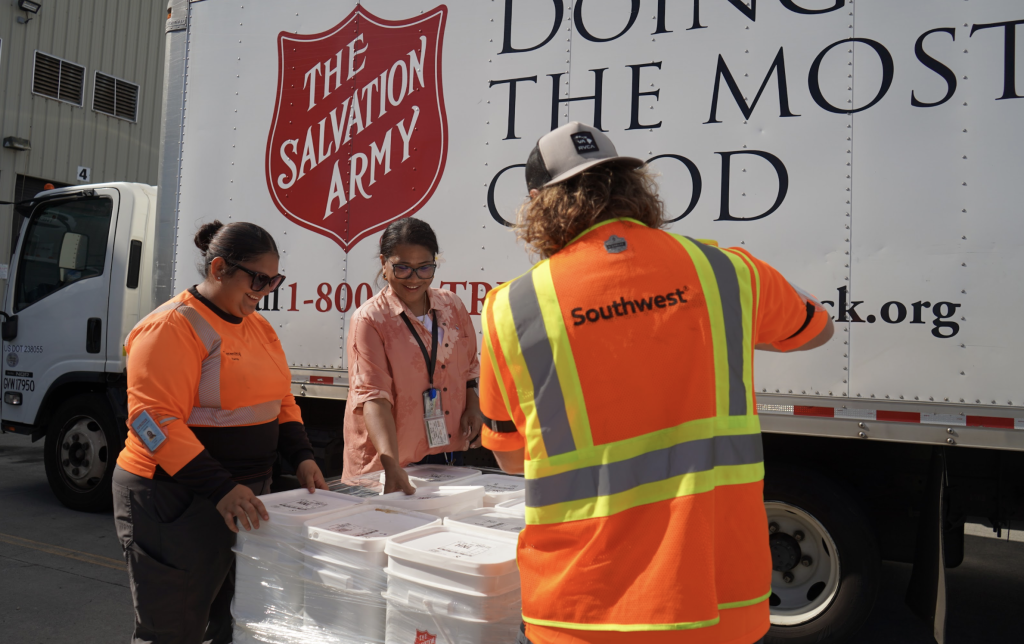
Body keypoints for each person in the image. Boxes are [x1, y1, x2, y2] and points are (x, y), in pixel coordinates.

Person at [479, 122, 834, 644]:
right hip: (723, 602)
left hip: (582, 609)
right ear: (631, 186)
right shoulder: (725, 272)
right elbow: (818, 328)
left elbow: (510, 459)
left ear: (537, 203)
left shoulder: (511, 308)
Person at [112, 220, 328, 644]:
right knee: (173, 629)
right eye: (258, 279)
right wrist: (220, 487)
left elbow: (281, 400)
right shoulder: (172, 327)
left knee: (235, 622)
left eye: (274, 280)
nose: (265, 290)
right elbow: (153, 422)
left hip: (240, 497)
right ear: (218, 269)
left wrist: (302, 456)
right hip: (176, 497)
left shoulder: (259, 327)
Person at [342, 217, 483, 493]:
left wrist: (473, 407)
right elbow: (373, 398)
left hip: (445, 451)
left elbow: (469, 368)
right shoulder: (370, 319)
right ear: (384, 264)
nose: (415, 279)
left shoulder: (452, 306)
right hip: (390, 462)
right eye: (403, 268)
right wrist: (390, 463)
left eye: (425, 268)